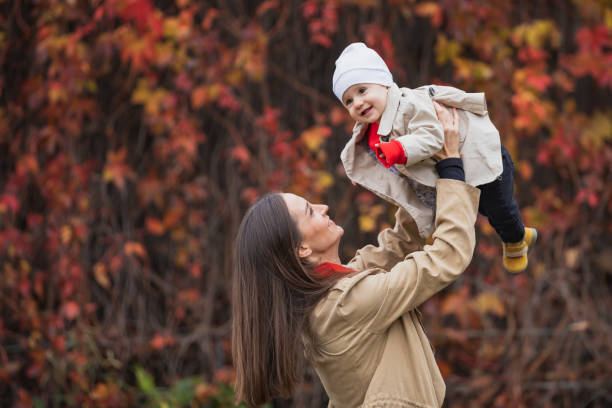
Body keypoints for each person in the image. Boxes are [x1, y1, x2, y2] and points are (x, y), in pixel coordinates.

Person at [232, 104, 479, 407]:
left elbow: (400, 242)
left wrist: (412, 162)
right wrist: (452, 167)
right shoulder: (346, 304)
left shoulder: (331, 295)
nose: (323, 206)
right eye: (310, 211)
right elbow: (448, 256)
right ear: (302, 249)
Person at [333, 42, 536, 273]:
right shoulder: (369, 129)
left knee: (499, 209)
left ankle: (516, 240)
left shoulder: (410, 104)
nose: (357, 103)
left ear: (385, 84)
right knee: (482, 210)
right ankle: (516, 230)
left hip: (482, 159)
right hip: (449, 177)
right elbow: (370, 155)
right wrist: (363, 170)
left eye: (362, 90)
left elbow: (432, 136)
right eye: (348, 101)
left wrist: (398, 149)